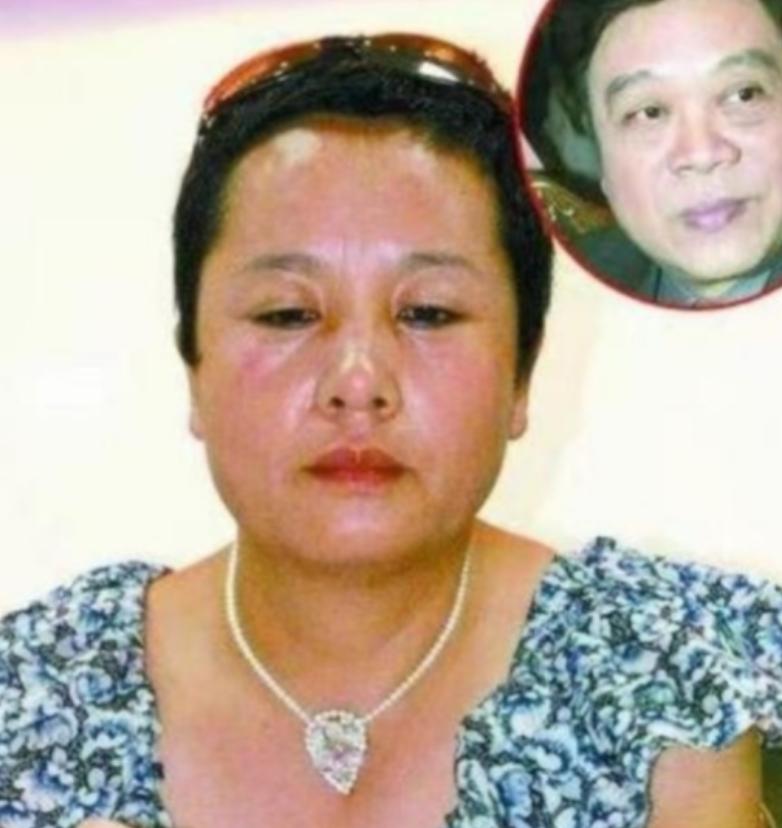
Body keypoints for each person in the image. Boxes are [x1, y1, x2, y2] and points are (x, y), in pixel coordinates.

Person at [1, 33, 781, 828]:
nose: (358, 383)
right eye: (288, 314)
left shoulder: (673, 673)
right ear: (193, 365)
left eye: (428, 312)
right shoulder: (29, 694)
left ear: (522, 372)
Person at [521, 0, 782, 307]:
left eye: (745, 95)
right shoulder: (562, 291)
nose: (702, 155)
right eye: (650, 113)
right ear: (602, 158)